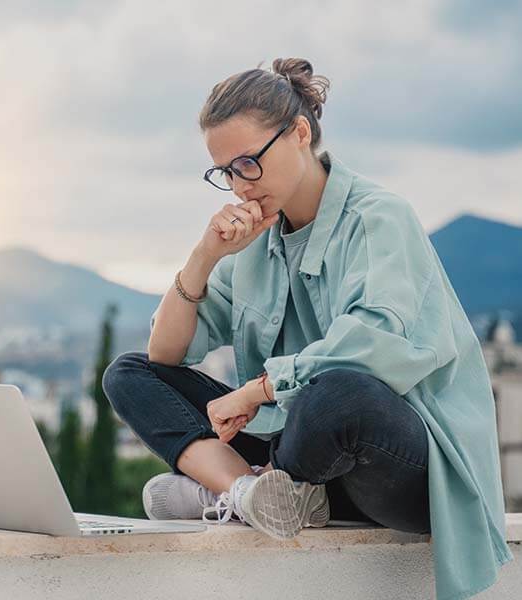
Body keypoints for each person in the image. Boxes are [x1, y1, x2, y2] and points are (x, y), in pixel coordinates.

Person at [101, 57, 513, 600]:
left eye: (248, 163)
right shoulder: (253, 247)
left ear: (299, 133)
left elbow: (378, 342)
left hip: (402, 463)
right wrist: (203, 258)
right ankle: (251, 493)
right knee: (128, 373)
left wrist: (262, 388)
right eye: (225, 171)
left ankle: (230, 487)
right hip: (300, 456)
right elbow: (165, 354)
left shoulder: (379, 217)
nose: (238, 185)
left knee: (338, 392)